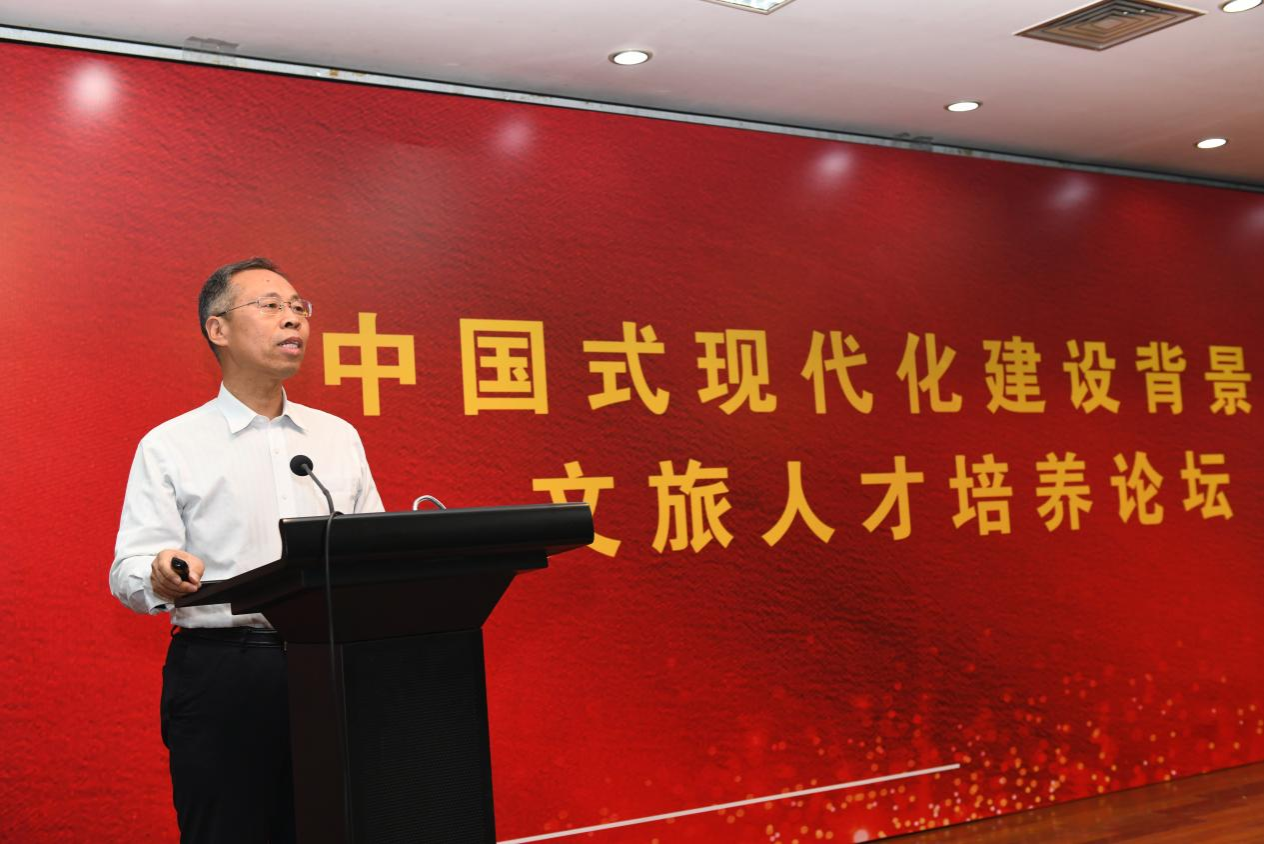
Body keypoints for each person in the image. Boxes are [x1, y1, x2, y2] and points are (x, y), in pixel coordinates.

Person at [110, 257, 383, 842]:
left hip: (331, 666)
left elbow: (375, 551)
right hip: (225, 674)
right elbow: (130, 567)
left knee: (342, 826)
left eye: (299, 308)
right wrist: (160, 573)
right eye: (271, 306)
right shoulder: (172, 444)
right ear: (218, 329)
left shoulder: (337, 437)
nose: (294, 319)